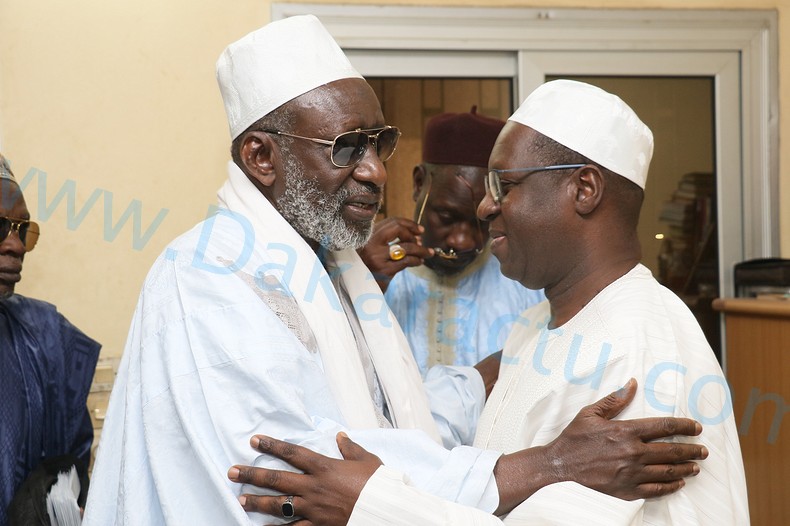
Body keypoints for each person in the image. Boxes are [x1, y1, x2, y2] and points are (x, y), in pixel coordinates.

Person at [84, 17, 706, 525]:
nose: (376, 172)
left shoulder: (334, 266)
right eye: (345, 148)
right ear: (260, 156)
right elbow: (303, 477)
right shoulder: (209, 277)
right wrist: (544, 467)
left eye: (377, 143)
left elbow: (389, 428)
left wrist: (513, 361)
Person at [231, 80, 749, 525]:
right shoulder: (533, 328)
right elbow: (491, 489)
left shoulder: (640, 343)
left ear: (584, 189)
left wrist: (371, 506)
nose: (485, 207)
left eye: (505, 184)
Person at [359, 110, 544, 374]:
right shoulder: (367, 268)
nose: (462, 241)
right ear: (419, 183)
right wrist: (358, 286)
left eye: (482, 222)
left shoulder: (525, 284)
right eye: (446, 216)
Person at [0, 153, 101, 525]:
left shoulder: (45, 337)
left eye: (22, 229)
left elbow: (74, 463)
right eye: (0, 227)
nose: (16, 246)